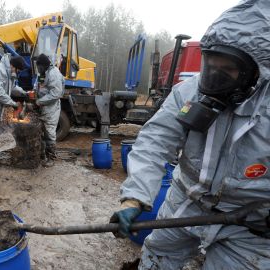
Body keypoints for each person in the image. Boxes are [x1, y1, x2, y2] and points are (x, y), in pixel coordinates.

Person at [110, 1, 270, 269]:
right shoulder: (189, 92)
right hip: (185, 202)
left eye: (228, 69)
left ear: (255, 72)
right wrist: (134, 197)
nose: (215, 76)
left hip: (250, 224)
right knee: (157, 258)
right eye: (211, 65)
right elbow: (155, 141)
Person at [34, 53, 64, 167]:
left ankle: (51, 157)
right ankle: (42, 155)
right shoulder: (43, 73)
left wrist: (39, 101)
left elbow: (56, 93)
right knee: (41, 132)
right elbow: (40, 86)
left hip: (51, 108)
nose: (38, 69)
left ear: (43, 65)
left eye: (38, 66)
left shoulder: (54, 74)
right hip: (43, 106)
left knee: (49, 132)